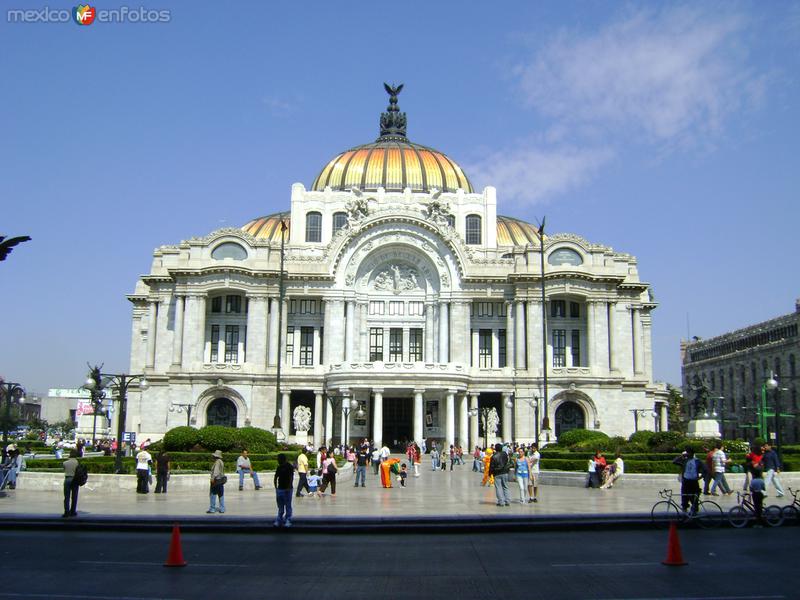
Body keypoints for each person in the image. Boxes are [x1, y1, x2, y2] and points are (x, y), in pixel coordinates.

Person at [673, 447, 705, 514]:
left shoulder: (697, 461)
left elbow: (705, 470)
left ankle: (694, 512)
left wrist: (700, 477)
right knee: (684, 496)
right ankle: (685, 511)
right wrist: (682, 456)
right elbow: (674, 461)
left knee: (694, 498)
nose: (687, 453)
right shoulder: (685, 461)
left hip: (694, 482)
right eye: (687, 452)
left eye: (689, 452)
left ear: (692, 453)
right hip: (686, 481)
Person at [273, 453, 295, 528]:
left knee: (288, 505)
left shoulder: (289, 467)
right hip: (280, 488)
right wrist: (276, 487)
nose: (278, 461)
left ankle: (288, 519)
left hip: (287, 489)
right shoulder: (279, 467)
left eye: (278, 459)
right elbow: (276, 477)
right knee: (281, 506)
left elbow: (291, 477)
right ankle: (279, 519)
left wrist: (289, 487)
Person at [62, 449, 80, 517]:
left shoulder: (65, 462)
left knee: (66, 497)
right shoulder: (77, 462)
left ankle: (66, 512)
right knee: (74, 496)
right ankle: (73, 511)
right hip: (75, 480)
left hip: (67, 479)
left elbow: (64, 470)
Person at [207, 449, 226, 514]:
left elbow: (216, 471)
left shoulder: (217, 462)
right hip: (221, 481)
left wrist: (213, 478)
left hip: (216, 481)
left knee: (213, 494)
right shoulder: (221, 461)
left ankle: (212, 509)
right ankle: (222, 509)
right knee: (221, 495)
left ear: (216, 456)